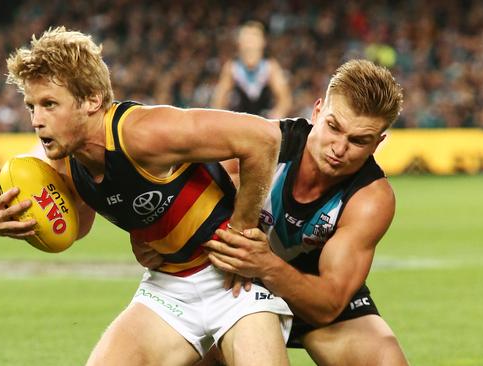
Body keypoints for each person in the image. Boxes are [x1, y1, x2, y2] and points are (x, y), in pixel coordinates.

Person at [0, 26, 293, 366]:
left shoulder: (143, 133)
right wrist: (7, 223)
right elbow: (76, 226)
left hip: (236, 284)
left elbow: (263, 139)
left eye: (49, 104)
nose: (36, 120)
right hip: (169, 289)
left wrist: (243, 229)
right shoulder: (65, 159)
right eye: (31, 106)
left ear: (91, 100)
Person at [136, 59, 409, 365]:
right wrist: (147, 237)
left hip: (311, 292)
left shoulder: (371, 198)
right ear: (317, 111)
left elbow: (329, 305)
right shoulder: (259, 146)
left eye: (359, 141)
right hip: (235, 287)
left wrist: (266, 265)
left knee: (385, 359)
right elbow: (164, 173)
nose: (339, 148)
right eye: (334, 127)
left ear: (377, 143)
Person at [212, 21, 293, 119]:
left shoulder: (270, 67)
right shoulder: (232, 68)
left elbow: (285, 99)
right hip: (239, 122)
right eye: (247, 39)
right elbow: (219, 99)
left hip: (264, 121)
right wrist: (222, 119)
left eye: (254, 39)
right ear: (240, 44)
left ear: (262, 42)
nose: (250, 44)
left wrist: (276, 116)